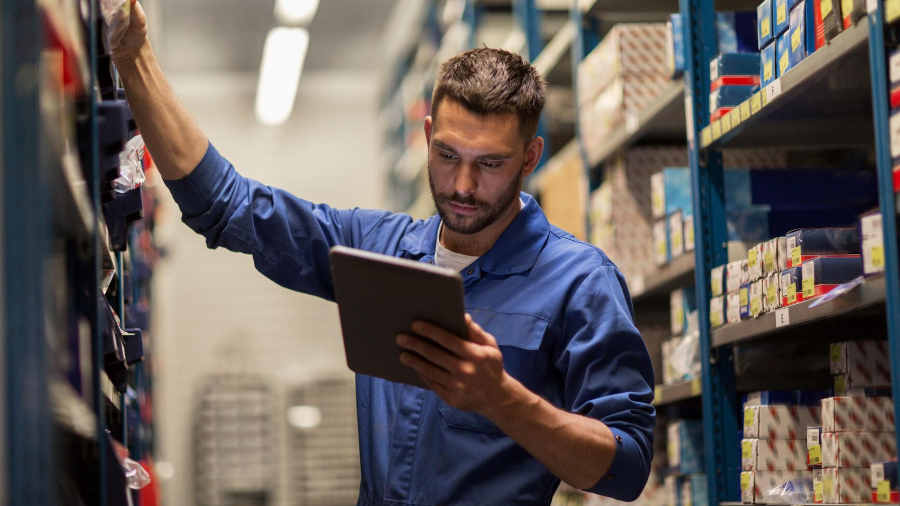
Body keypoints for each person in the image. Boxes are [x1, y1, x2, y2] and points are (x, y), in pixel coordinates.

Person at [111, 1, 655, 503]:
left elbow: (627, 467)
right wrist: (134, 54)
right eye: (446, 154)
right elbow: (227, 205)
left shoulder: (580, 282)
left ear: (530, 156)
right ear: (426, 134)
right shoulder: (377, 250)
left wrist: (502, 399)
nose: (462, 185)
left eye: (489, 163)